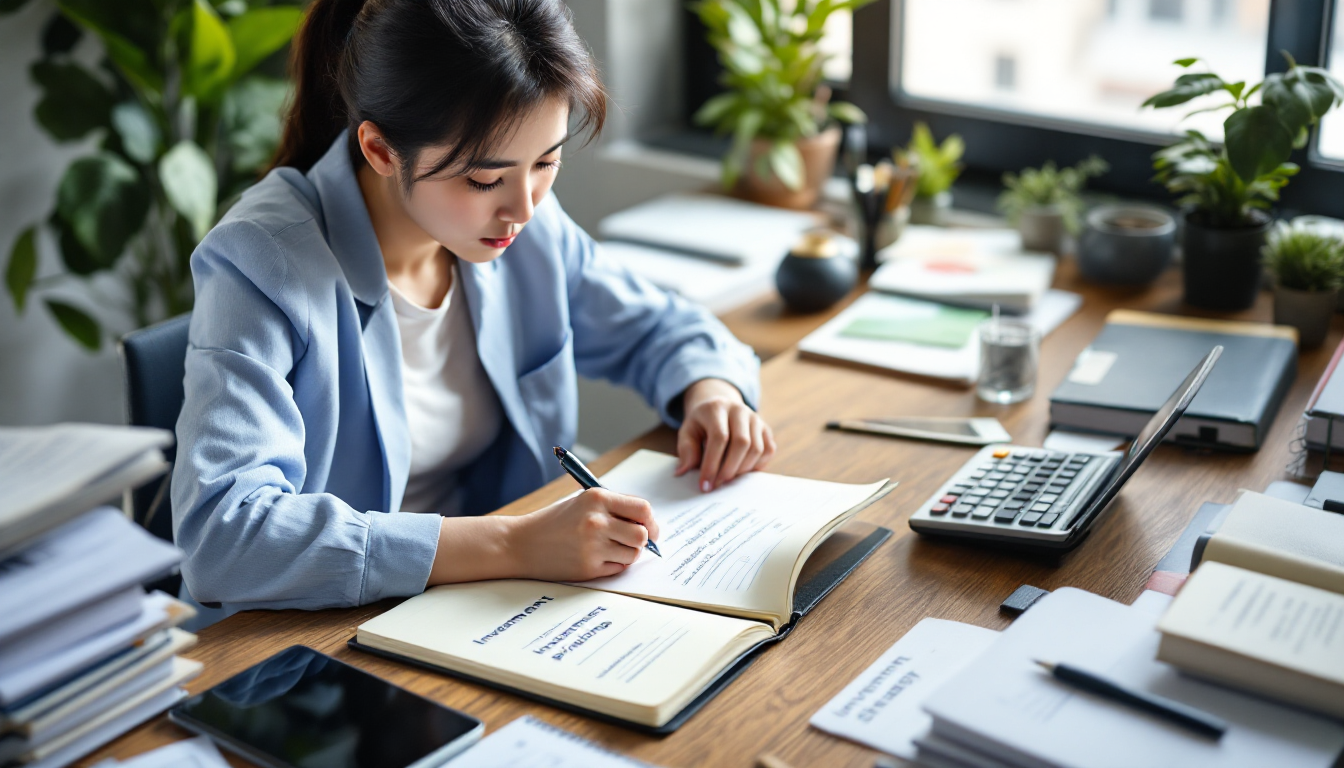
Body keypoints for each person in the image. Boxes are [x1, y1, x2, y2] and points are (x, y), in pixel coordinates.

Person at [171, 0, 775, 614]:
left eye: (547, 163)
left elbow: (657, 326)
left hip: (486, 603)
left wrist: (712, 391)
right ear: (381, 151)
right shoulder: (261, 261)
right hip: (320, 640)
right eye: (484, 180)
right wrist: (513, 543)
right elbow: (225, 536)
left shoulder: (521, 225)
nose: (524, 208)